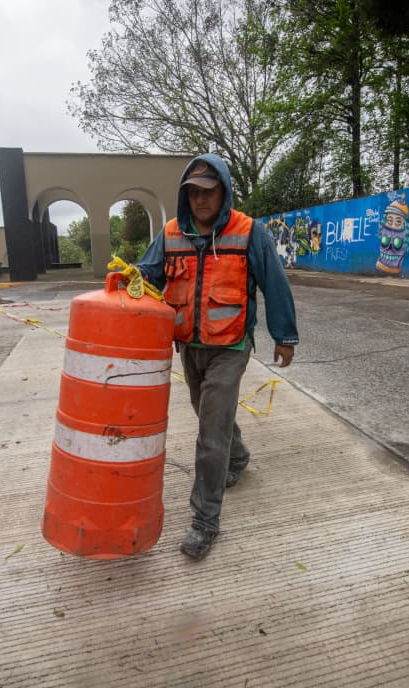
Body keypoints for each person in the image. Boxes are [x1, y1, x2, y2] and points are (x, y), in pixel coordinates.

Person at [135, 153, 299, 560]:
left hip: (231, 347)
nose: (200, 200)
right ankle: (238, 456)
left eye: (208, 192)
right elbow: (146, 275)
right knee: (208, 413)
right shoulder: (171, 233)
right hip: (189, 345)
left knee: (210, 432)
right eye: (192, 193)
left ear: (223, 192)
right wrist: (125, 281)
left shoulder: (248, 232)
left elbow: (275, 284)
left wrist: (285, 335)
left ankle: (204, 522)